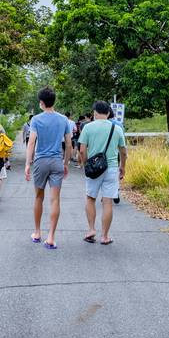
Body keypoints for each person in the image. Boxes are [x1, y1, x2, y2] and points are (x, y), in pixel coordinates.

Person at [24, 87, 72, 249]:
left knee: (38, 197)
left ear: (42, 103)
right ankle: (51, 237)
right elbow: (69, 144)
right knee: (55, 199)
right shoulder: (64, 119)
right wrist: (65, 163)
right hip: (57, 161)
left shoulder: (36, 120)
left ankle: (37, 233)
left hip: (41, 162)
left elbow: (31, 142)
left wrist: (27, 163)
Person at [78, 101, 127, 244]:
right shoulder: (117, 128)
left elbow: (82, 150)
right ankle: (105, 236)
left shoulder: (88, 127)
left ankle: (91, 230)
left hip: (94, 168)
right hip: (111, 168)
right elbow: (123, 152)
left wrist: (86, 163)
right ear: (108, 113)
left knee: (90, 198)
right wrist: (122, 167)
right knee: (108, 203)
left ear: (94, 113)